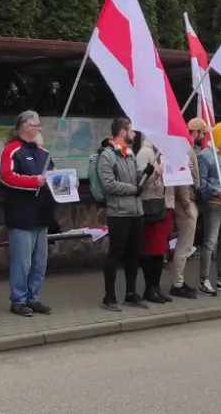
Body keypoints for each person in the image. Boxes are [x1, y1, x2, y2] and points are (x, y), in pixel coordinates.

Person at [0, 111, 56, 317]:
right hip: (22, 215)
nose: (39, 128)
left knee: (40, 261)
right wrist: (33, 182)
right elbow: (6, 177)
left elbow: (53, 178)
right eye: (36, 124)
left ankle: (34, 297)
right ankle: (19, 299)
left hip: (42, 214)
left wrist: (68, 184)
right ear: (24, 126)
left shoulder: (43, 152)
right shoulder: (11, 150)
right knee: (22, 262)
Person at [97, 118, 145, 311]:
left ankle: (131, 293)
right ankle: (109, 296)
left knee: (134, 254)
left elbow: (136, 181)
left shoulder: (130, 154)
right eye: (132, 130)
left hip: (135, 211)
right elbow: (108, 184)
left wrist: (149, 174)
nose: (134, 134)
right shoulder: (107, 155)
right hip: (118, 213)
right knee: (115, 254)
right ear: (123, 132)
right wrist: (134, 188)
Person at [196, 123, 221, 297]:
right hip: (214, 204)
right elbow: (200, 182)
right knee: (210, 242)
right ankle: (203, 279)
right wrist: (215, 191)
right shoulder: (205, 156)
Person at [168, 119, 206, 299]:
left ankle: (179, 281)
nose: (204, 137)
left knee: (185, 246)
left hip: (188, 200)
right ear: (196, 132)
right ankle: (177, 284)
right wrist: (186, 205)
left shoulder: (186, 148)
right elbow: (182, 180)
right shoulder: (184, 149)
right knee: (184, 246)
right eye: (203, 133)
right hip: (187, 202)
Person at [136, 131, 174, 304]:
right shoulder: (145, 153)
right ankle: (149, 288)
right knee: (151, 248)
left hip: (161, 204)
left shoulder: (158, 153)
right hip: (150, 205)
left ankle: (156, 286)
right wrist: (156, 174)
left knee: (159, 249)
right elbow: (141, 182)